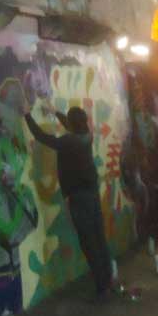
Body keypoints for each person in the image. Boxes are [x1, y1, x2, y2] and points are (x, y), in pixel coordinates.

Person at [25, 105, 113, 300]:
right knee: (99, 239)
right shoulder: (86, 136)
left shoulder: (69, 142)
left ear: (72, 124)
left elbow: (41, 136)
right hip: (92, 194)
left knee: (88, 243)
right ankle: (108, 282)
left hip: (79, 198)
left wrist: (26, 115)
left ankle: (102, 289)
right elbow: (71, 124)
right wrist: (55, 112)